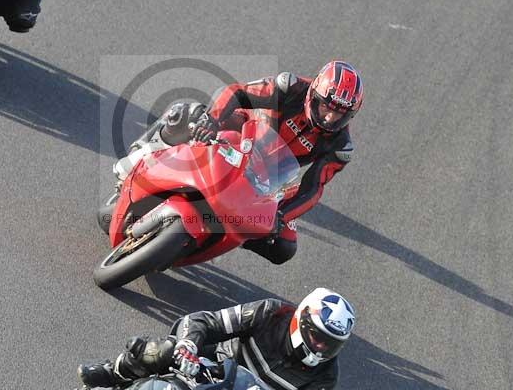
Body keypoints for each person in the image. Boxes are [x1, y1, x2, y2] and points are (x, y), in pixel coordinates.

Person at [125, 61, 364, 265]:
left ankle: (223, 236)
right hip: (237, 137)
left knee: (284, 247)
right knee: (190, 114)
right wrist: (211, 121)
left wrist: (281, 216)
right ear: (314, 94)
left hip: (267, 179)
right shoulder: (289, 87)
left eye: (339, 113)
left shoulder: (340, 147)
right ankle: (146, 151)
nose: (330, 117)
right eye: (326, 106)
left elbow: (313, 189)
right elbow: (237, 92)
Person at [78, 288, 356, 390]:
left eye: (331, 343)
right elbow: (207, 321)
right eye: (317, 336)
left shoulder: (326, 375)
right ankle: (113, 372)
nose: (321, 347)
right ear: (300, 320)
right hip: (208, 369)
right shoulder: (270, 312)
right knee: (163, 350)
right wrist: (188, 346)